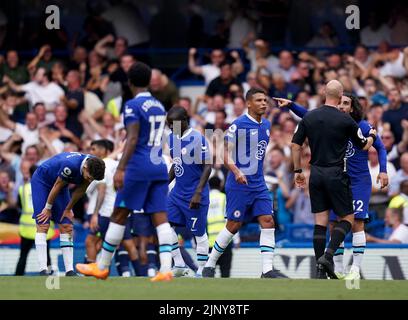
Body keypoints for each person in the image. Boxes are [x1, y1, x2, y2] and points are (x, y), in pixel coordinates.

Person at [76, 62, 175, 282]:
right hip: (158, 165)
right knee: (160, 217)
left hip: (138, 167)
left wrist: (120, 168)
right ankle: (166, 269)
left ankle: (101, 267)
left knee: (119, 214)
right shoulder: (159, 105)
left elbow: (131, 138)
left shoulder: (132, 105)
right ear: (149, 81)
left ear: (129, 82)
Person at [275, 93, 389, 280]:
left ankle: (355, 269)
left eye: (346, 103)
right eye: (340, 103)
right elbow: (310, 115)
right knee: (333, 224)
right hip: (339, 180)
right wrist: (292, 105)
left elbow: (381, 148)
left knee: (357, 223)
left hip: (359, 181)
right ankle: (338, 269)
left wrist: (383, 170)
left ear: (352, 108)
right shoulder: (334, 123)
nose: (341, 106)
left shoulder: (362, 126)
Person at [202, 88, 285, 279]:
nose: (264, 103)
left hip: (258, 183)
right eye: (259, 100)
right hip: (239, 183)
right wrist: (237, 171)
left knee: (268, 220)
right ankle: (210, 263)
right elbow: (224, 152)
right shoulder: (238, 124)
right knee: (233, 225)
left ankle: (267, 270)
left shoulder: (266, 124)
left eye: (265, 100)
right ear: (248, 103)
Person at [31, 152, 105, 276]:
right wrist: (48, 208)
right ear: (85, 167)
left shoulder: (92, 166)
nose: (90, 180)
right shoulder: (71, 166)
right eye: (89, 177)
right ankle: (43, 269)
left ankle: (69, 270)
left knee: (67, 226)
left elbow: (81, 190)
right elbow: (56, 185)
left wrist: (68, 209)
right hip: (42, 182)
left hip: (61, 185)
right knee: (43, 223)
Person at [166, 106, 212, 277]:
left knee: (198, 234)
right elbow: (176, 164)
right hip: (177, 193)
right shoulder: (172, 138)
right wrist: (165, 183)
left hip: (194, 194)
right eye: (168, 124)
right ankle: (178, 264)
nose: (171, 128)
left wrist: (198, 192)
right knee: (165, 226)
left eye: (173, 124)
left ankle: (201, 269)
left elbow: (208, 166)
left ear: (185, 121)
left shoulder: (197, 139)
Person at [15, 163, 55, 275]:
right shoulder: (48, 189)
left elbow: (19, 206)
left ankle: (17, 278)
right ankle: (49, 278)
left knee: (23, 256)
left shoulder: (22, 188)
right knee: (46, 256)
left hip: (26, 229)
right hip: (43, 225)